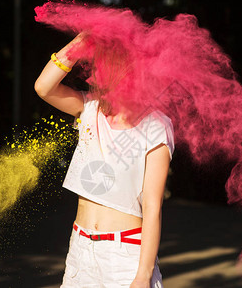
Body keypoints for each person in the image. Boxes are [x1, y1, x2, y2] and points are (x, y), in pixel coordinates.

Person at [34, 32, 175, 287]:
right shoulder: (89, 108)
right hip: (80, 249)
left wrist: (143, 275)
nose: (92, 72)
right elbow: (43, 87)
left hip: (124, 256)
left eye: (100, 64)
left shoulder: (156, 125)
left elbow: (152, 207)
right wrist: (81, 40)